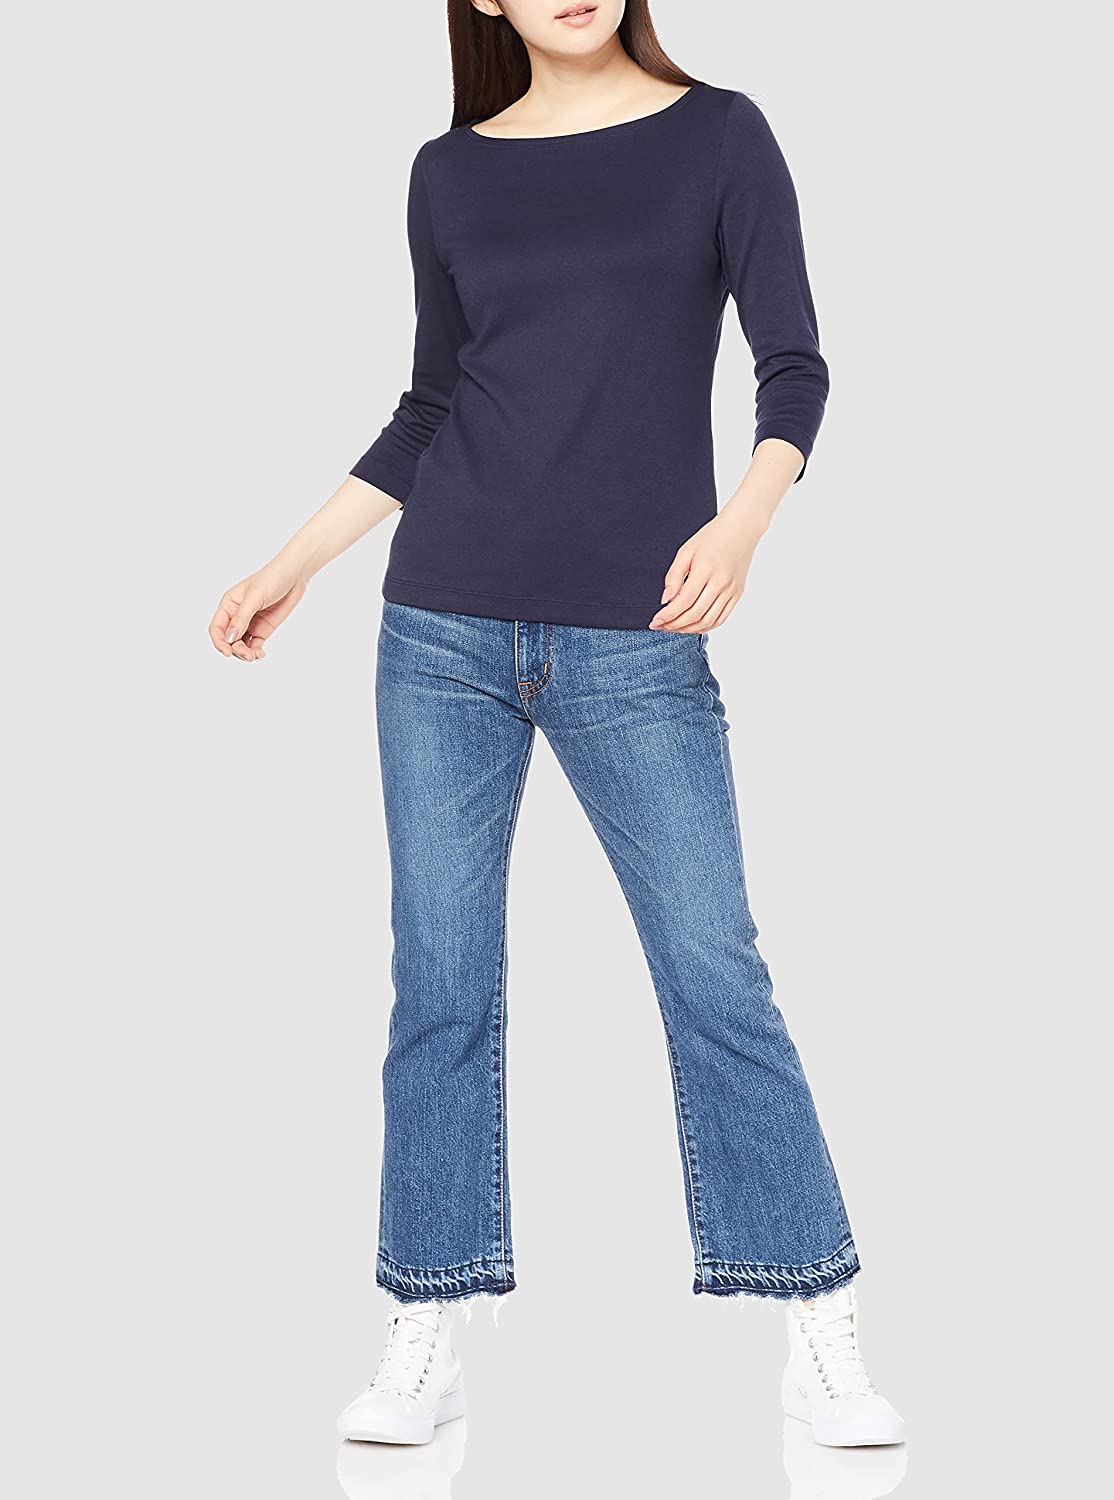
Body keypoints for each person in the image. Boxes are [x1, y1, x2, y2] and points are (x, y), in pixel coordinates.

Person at [209, 0, 904, 1451]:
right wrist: (292, 562)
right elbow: (432, 401)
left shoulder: (720, 135)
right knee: (441, 983)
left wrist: (745, 520)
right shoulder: (449, 169)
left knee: (713, 969)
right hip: (439, 627)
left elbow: (793, 365)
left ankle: (818, 1321)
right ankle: (425, 1321)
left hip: (633, 630)